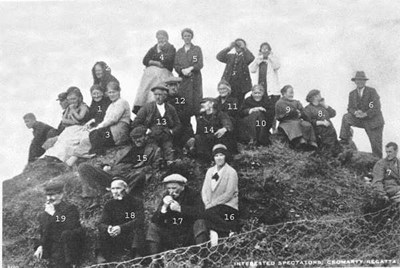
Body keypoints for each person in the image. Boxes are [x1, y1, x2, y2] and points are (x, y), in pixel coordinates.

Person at [78, 126, 162, 207]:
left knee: (141, 175)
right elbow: (111, 160)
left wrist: (144, 169)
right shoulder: (126, 148)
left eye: (139, 137)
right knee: (83, 167)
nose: (136, 140)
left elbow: (155, 168)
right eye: (133, 138)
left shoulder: (155, 150)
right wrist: (105, 165)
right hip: (112, 173)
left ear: (146, 136)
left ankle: (119, 196)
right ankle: (93, 198)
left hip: (130, 175)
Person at [146, 174, 208, 254]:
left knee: (200, 223)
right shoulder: (167, 195)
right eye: (169, 188)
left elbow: (201, 213)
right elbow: (155, 220)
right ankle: (155, 261)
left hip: (189, 234)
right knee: (153, 227)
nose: (171, 191)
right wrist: (164, 207)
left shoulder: (193, 194)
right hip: (172, 234)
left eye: (174, 188)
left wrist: (180, 209)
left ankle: (202, 256)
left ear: (182, 186)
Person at [33, 182, 83, 268]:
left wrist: (53, 213)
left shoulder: (70, 208)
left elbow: (70, 226)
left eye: (52, 195)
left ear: (61, 195)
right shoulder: (44, 214)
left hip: (68, 246)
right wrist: (40, 246)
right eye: (47, 195)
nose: (49, 198)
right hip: (53, 249)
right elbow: (42, 232)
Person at [96, 179, 145, 263]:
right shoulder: (109, 204)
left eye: (118, 188)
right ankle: (102, 258)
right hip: (115, 237)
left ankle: (137, 257)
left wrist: (121, 228)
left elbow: (139, 220)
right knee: (102, 231)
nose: (115, 191)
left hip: (130, 236)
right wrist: (108, 228)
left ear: (126, 189)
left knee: (138, 230)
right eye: (113, 189)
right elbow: (101, 223)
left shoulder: (136, 202)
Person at [131, 85, 181, 165]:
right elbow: (136, 122)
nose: (157, 97)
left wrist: (171, 131)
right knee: (153, 151)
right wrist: (146, 130)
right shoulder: (147, 107)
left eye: (160, 95)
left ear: (165, 96)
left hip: (166, 136)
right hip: (152, 136)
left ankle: (169, 166)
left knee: (169, 152)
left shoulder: (170, 108)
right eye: (156, 95)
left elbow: (178, 124)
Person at [339, 71, 385, 158]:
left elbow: (376, 107)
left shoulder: (372, 91)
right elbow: (350, 108)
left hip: (374, 123)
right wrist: (355, 112)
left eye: (361, 80)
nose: (359, 82)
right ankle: (344, 140)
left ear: (365, 81)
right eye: (357, 80)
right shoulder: (352, 94)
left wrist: (365, 114)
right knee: (346, 117)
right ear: (355, 81)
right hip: (360, 120)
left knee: (376, 149)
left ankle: (379, 167)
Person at [201, 144, 239, 247]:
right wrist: (207, 203)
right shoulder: (209, 171)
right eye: (216, 155)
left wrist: (213, 204)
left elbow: (229, 193)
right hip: (211, 206)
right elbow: (204, 190)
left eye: (221, 155)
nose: (219, 158)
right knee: (203, 214)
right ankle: (219, 233)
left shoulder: (231, 172)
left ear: (225, 156)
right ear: (213, 157)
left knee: (208, 214)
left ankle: (224, 232)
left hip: (227, 205)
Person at [133, 30, 176, 114]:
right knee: (146, 83)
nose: (161, 40)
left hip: (164, 73)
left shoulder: (171, 48)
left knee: (158, 82)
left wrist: (156, 57)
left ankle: (155, 103)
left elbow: (168, 60)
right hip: (150, 74)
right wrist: (155, 62)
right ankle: (143, 104)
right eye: (159, 38)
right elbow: (145, 60)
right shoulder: (154, 48)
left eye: (163, 38)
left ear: (167, 38)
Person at [44, 87, 90, 162]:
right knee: (60, 141)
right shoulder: (69, 107)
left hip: (79, 129)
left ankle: (61, 158)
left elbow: (80, 118)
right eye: (70, 99)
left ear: (79, 98)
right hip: (70, 128)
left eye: (74, 99)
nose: (72, 101)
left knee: (68, 142)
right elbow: (64, 120)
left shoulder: (83, 107)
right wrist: (74, 121)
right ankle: (53, 156)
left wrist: (73, 115)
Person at [189, 98, 235, 162]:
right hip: (206, 140)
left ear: (211, 104)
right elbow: (198, 131)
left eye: (205, 102)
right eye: (201, 103)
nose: (202, 104)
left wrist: (224, 129)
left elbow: (228, 124)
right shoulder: (200, 117)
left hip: (218, 139)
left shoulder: (220, 114)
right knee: (197, 139)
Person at [174, 28, 204, 116]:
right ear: (182, 38)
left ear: (192, 37)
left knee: (197, 104)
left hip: (195, 81)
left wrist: (191, 68)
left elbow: (200, 64)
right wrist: (182, 70)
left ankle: (199, 128)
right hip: (183, 81)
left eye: (189, 36)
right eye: (185, 36)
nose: (187, 38)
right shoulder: (179, 52)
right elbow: (175, 65)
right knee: (184, 104)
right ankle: (186, 128)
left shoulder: (197, 49)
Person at [216, 38, 255, 106]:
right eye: (236, 45)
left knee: (239, 103)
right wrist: (229, 47)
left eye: (240, 45)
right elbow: (219, 57)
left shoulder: (245, 57)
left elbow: (250, 58)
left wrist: (244, 48)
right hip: (229, 83)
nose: (238, 47)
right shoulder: (230, 56)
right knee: (227, 101)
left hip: (241, 85)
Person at [303, 89, 341, 155]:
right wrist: (322, 122)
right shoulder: (308, 109)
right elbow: (308, 121)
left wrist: (325, 105)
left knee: (337, 151)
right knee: (328, 152)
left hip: (331, 133)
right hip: (320, 134)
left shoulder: (322, 106)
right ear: (315, 97)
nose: (321, 96)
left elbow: (333, 113)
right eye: (319, 95)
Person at [164, 76, 194, 149]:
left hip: (183, 130)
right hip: (168, 131)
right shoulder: (163, 100)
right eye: (171, 85)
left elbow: (187, 115)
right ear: (167, 86)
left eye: (176, 85)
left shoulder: (182, 100)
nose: (174, 88)